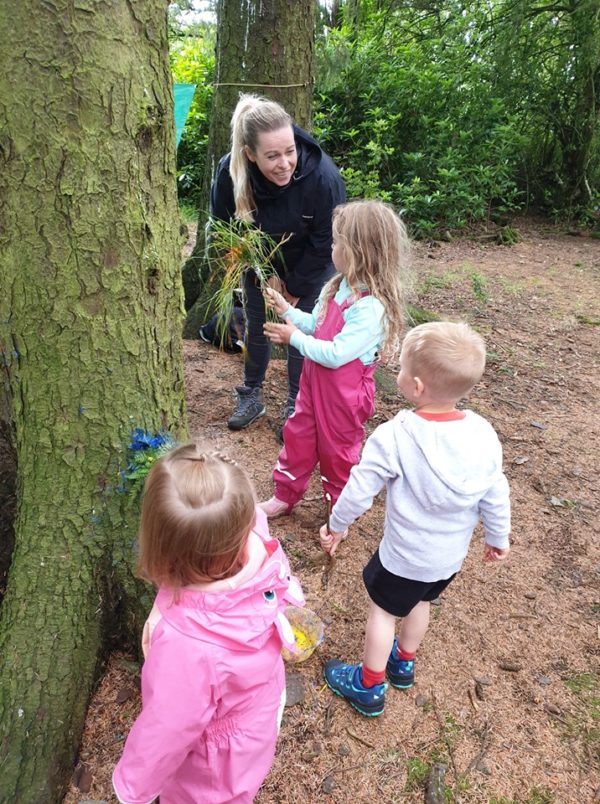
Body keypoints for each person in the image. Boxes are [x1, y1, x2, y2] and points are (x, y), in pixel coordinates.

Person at [320, 321, 511, 717]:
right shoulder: (483, 433)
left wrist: (337, 525)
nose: (398, 373)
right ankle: (403, 663)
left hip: (403, 557)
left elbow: (359, 489)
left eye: (403, 369)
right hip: (446, 560)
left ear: (417, 387)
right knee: (421, 601)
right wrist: (498, 536)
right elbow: (496, 490)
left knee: (383, 612)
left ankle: (368, 685)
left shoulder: (395, 436)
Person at [112, 444, 305, 803]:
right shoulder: (260, 546)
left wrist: (132, 788)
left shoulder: (186, 647)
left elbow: (168, 728)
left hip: (213, 765)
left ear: (164, 552)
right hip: (259, 712)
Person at [259, 199, 411, 518]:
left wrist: (292, 338)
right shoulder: (337, 287)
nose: (331, 247)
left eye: (336, 242)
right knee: (298, 436)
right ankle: (285, 494)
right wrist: (287, 311)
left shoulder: (371, 308)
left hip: (344, 398)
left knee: (337, 452)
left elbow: (336, 355)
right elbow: (316, 325)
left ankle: (339, 510)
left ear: (358, 251)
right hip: (312, 386)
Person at [210, 93, 346, 431]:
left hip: (312, 261)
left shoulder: (322, 177)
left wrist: (295, 288)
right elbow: (228, 232)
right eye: (272, 156)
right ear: (250, 154)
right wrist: (264, 273)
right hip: (259, 260)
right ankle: (251, 393)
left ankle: (297, 404)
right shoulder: (230, 173)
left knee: (301, 328)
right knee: (258, 323)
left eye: (289, 151)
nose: (285, 163)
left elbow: (326, 240)